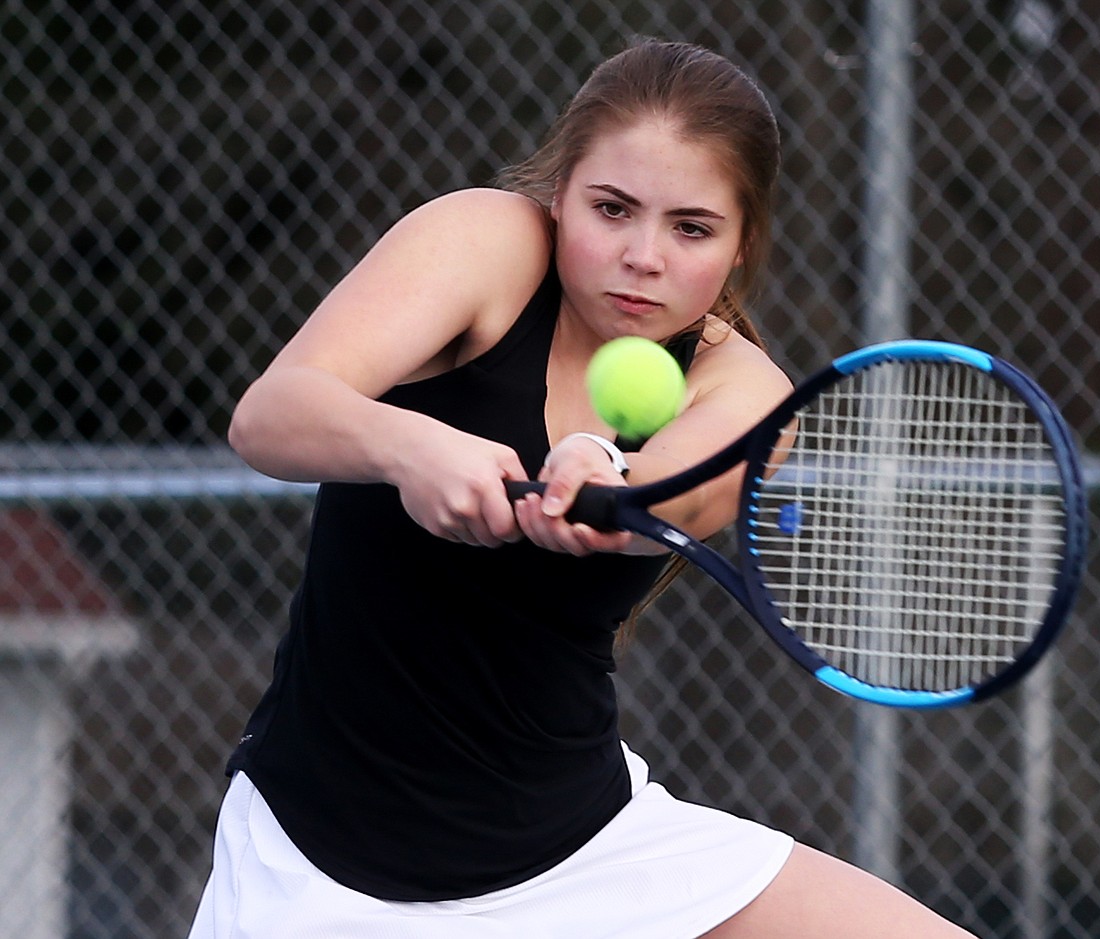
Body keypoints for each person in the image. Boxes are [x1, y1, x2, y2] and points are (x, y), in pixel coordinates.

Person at [188, 37, 977, 938]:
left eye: (691, 228)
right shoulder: (483, 243)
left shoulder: (748, 391)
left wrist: (607, 475)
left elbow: (671, 496)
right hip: (321, 862)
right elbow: (271, 415)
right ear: (560, 195)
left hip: (585, 850)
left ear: (739, 246)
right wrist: (410, 445)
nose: (643, 256)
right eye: (612, 209)